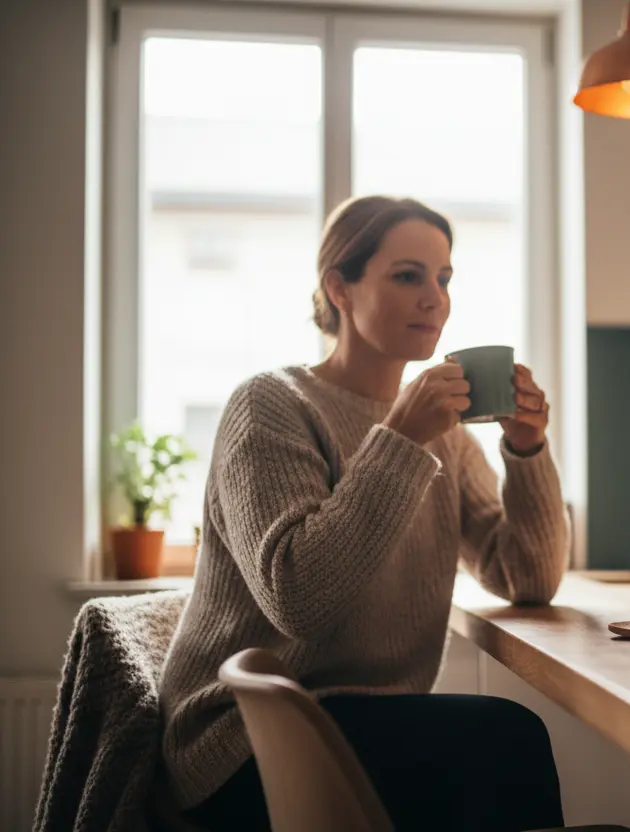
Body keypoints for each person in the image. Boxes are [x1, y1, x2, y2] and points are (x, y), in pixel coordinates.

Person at [159, 195, 569, 830]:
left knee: (497, 746)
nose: (436, 298)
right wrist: (401, 440)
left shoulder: (447, 435)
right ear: (339, 289)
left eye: (444, 278)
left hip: (361, 727)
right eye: (408, 276)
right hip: (246, 743)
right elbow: (299, 599)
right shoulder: (270, 405)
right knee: (504, 739)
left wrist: (526, 448)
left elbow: (527, 578)